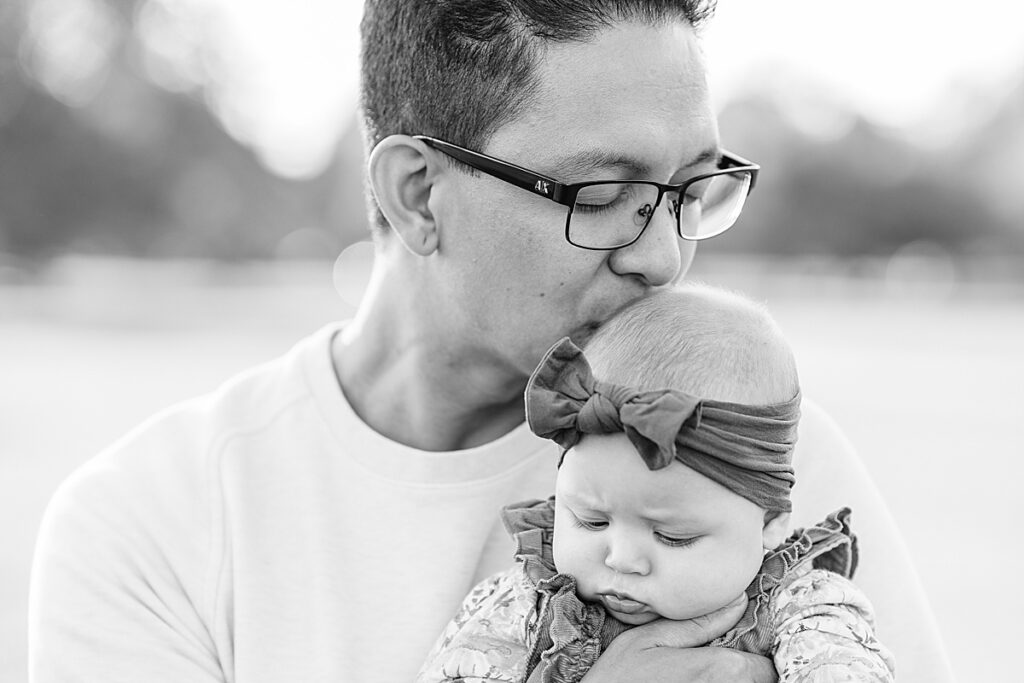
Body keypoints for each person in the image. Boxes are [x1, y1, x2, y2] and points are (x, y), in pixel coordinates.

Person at [28, 1, 953, 681]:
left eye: (689, 190)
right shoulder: (150, 526)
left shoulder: (739, 445)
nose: (664, 257)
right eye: (600, 196)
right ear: (420, 194)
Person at [416, 284, 896, 683]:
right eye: (591, 520)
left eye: (673, 536)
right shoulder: (523, 606)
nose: (621, 558)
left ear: (770, 522)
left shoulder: (802, 609)